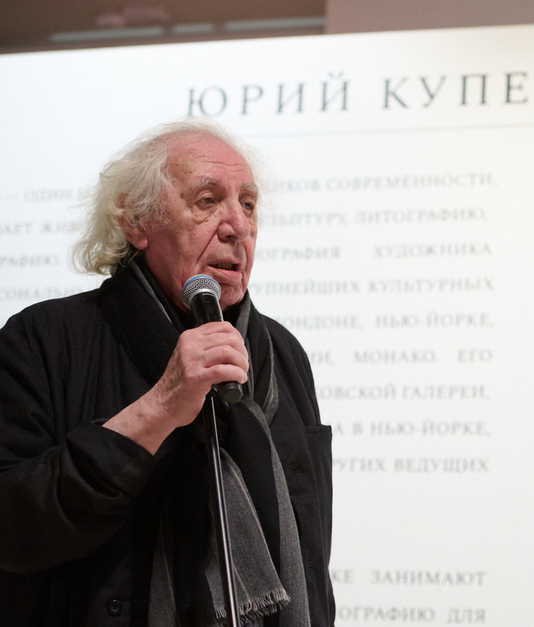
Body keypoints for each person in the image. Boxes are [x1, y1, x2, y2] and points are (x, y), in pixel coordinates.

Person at [0, 120, 334, 626]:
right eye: (207, 201)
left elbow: (310, 557)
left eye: (247, 204)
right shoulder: (43, 339)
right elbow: (12, 528)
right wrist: (160, 407)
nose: (237, 226)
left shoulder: (282, 353)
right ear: (136, 221)